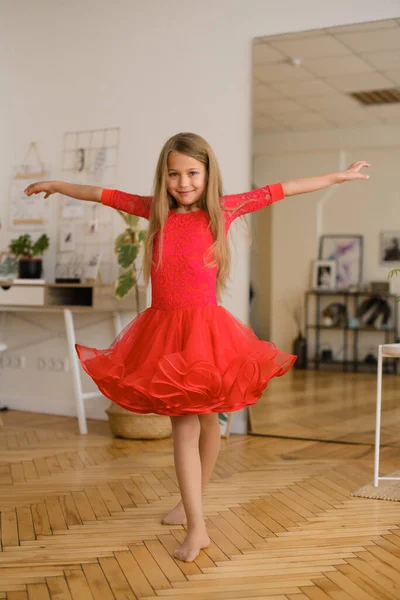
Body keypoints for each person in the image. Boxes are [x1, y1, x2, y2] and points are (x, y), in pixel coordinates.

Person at [25, 133, 369, 562]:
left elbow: (283, 189)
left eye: (192, 173)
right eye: (174, 174)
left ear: (208, 174)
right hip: (165, 335)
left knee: (208, 423)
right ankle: (196, 521)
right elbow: (100, 194)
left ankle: (195, 519)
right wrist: (57, 185)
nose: (183, 182)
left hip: (206, 335)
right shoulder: (154, 211)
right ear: (163, 175)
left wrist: (339, 175)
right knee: (186, 427)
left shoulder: (223, 210)